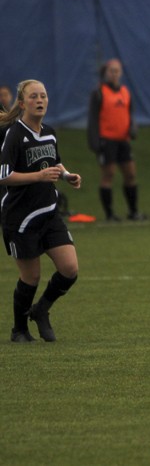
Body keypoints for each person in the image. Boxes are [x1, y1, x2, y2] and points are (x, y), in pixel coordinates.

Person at [0, 80, 82, 342]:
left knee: (70, 269)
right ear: (22, 103)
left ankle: (41, 310)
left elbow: (55, 162)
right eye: (33, 96)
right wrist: (39, 175)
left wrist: (67, 175)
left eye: (43, 96)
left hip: (48, 212)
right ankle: (19, 330)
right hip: (21, 218)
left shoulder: (49, 131)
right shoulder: (15, 134)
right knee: (31, 277)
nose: (40, 100)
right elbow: (3, 176)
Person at [87, 58, 145, 221]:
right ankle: (110, 214)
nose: (114, 74)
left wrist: (132, 128)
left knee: (131, 174)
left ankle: (133, 211)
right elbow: (93, 118)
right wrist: (95, 142)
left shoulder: (125, 91)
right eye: (111, 71)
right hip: (107, 140)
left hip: (123, 140)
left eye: (117, 71)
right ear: (105, 73)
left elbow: (130, 114)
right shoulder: (99, 92)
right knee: (108, 175)